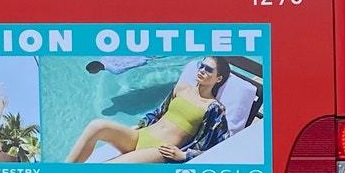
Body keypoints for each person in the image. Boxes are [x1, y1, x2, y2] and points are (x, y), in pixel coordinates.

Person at [66, 56, 233, 164]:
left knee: (105, 169)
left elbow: (219, 148)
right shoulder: (181, 88)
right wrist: (139, 125)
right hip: (141, 136)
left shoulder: (214, 108)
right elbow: (158, 112)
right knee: (97, 126)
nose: (202, 71)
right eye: (201, 66)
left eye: (209, 69)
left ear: (219, 78)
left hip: (159, 151)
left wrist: (184, 156)